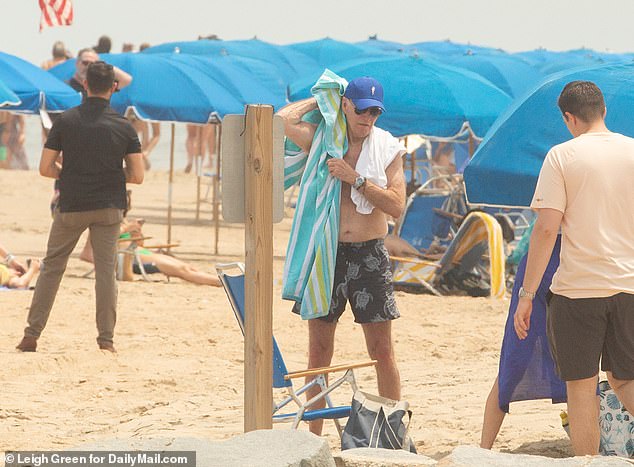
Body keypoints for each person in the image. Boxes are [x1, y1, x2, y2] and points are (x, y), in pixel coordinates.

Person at [278, 76, 406, 435]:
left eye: (375, 112)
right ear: (347, 105)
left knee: (381, 351)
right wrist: (321, 99)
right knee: (319, 352)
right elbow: (282, 121)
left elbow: (396, 206)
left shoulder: (388, 149)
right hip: (327, 253)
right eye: (362, 109)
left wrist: (356, 179)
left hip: (370, 255)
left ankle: (393, 432)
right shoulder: (324, 140)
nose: (368, 118)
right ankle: (313, 438)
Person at [514, 81, 634, 456]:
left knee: (581, 388)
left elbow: (547, 227)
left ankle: (589, 464)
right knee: (626, 381)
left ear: (569, 118)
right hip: (629, 284)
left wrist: (527, 294)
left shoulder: (561, 156)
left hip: (579, 290)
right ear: (603, 111)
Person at [15, 61, 144, 354]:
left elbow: (45, 168)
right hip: (109, 206)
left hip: (71, 204)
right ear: (113, 88)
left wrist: (69, 171)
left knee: (52, 268)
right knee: (105, 271)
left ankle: (31, 335)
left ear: (84, 85)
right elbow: (137, 176)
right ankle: (106, 340)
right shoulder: (124, 127)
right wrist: (110, 173)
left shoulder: (66, 121)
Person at [480, 236, 566, 449]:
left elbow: (545, 224)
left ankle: (484, 447)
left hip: (547, 262)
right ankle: (592, 447)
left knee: (516, 354)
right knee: (582, 365)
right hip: (581, 261)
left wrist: (526, 295)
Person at [79, 218, 221, 287]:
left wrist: (136, 233)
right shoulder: (98, 222)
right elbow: (88, 254)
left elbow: (139, 243)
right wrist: (127, 228)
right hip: (133, 258)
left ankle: (222, 281)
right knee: (182, 270)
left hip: (141, 253)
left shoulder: (121, 220)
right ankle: (221, 283)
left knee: (187, 267)